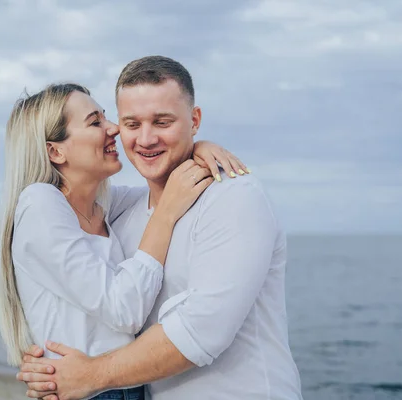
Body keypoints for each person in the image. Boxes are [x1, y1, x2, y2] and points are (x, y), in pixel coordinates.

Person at [17, 56, 303, 400]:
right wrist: (49, 364)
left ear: (194, 120)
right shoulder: (120, 213)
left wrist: (92, 374)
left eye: (163, 122)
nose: (146, 138)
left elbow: (201, 331)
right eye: (131, 123)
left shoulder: (234, 198)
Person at [0, 83, 249, 400]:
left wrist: (196, 146)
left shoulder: (103, 206)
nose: (113, 128)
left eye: (105, 116)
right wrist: (165, 215)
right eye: (95, 122)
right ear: (55, 151)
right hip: (88, 391)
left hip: (123, 387)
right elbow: (124, 309)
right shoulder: (40, 202)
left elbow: (172, 186)